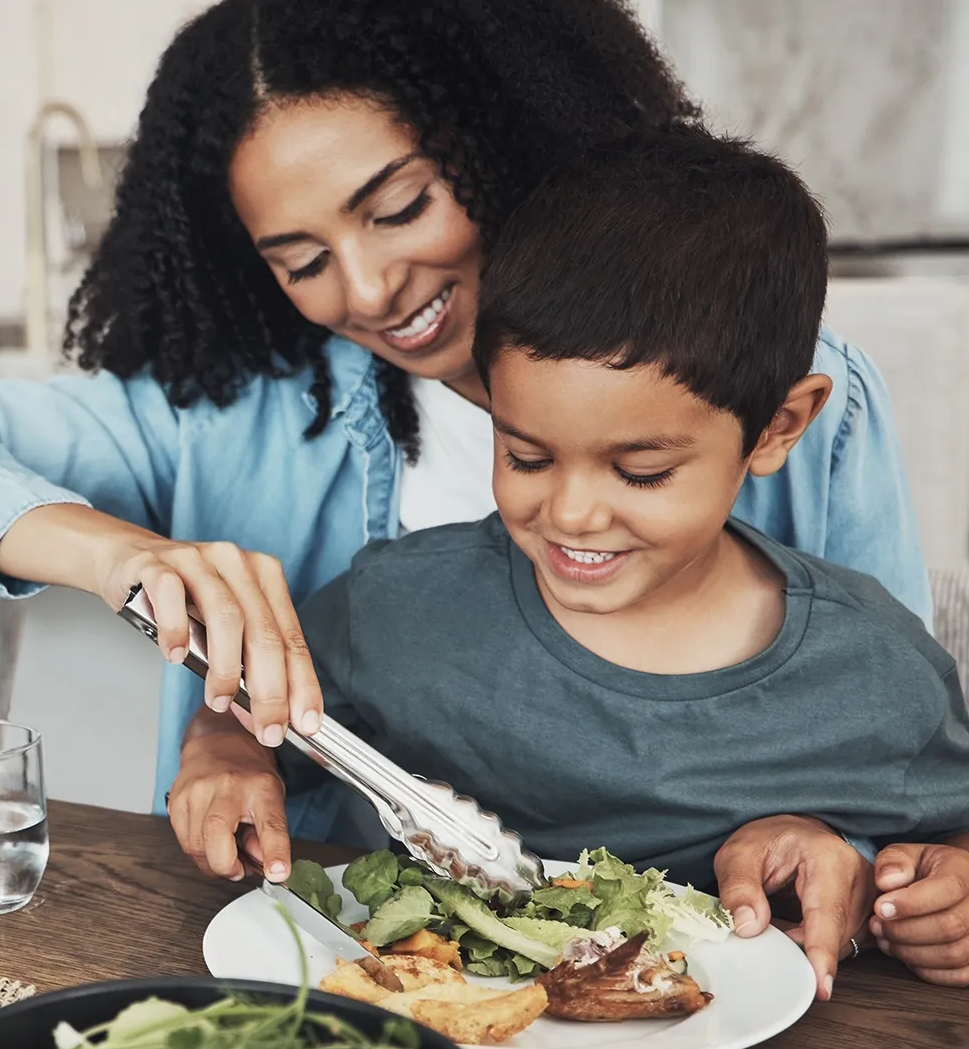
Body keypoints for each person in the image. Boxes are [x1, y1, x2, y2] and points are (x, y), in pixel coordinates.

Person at [0, 0, 927, 912]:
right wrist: (132, 560)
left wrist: (836, 843)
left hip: (716, 981)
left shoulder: (781, 385)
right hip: (358, 954)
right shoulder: (234, 411)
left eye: (400, 208)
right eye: (299, 260)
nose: (367, 287)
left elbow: (882, 746)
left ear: (504, 135)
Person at [281, 130, 969, 999]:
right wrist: (224, 759)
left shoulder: (875, 671)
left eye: (641, 472)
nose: (569, 514)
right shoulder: (399, 603)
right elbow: (267, 711)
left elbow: (951, 839)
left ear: (779, 428)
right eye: (526, 455)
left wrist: (943, 896)